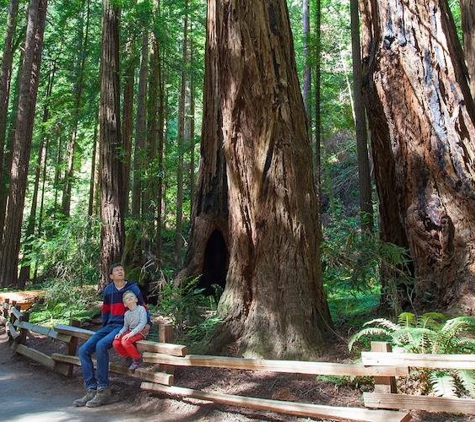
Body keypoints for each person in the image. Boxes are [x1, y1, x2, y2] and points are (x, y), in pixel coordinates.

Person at [73, 263, 150, 408]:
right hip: (109, 325)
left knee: (101, 345)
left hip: (123, 325)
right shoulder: (108, 289)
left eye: (122, 269)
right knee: (83, 350)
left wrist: (148, 323)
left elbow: (143, 307)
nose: (120, 271)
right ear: (111, 276)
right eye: (117, 270)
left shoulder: (132, 288)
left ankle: (103, 389)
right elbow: (106, 310)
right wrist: (104, 327)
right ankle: (91, 389)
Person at [112, 290, 148, 371]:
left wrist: (131, 334)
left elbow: (142, 323)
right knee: (116, 342)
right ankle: (128, 356)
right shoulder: (127, 314)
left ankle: (137, 359)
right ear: (125, 304)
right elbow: (125, 326)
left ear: (136, 299)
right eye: (127, 298)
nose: (130, 298)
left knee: (125, 341)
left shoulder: (141, 309)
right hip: (131, 332)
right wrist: (120, 333)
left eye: (131, 296)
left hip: (140, 332)